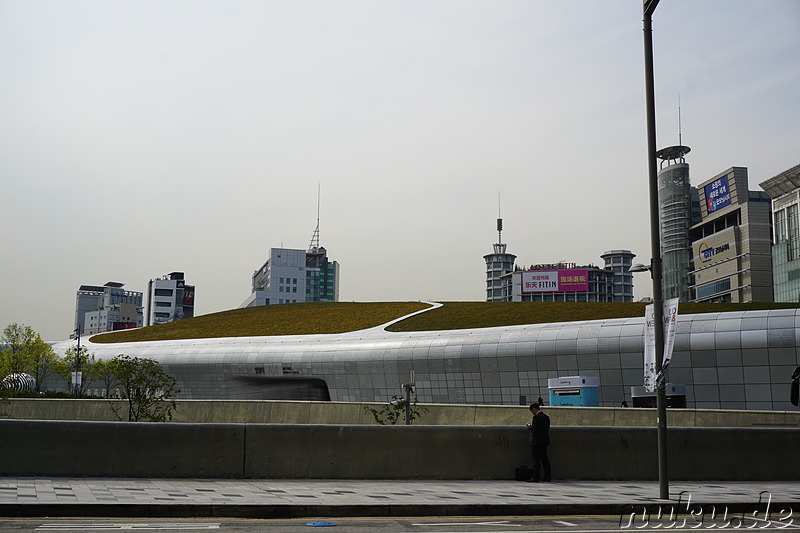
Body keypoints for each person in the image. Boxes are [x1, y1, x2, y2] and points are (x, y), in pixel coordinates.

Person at [525, 402, 551, 482]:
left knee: (536, 460)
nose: (532, 413)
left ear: (534, 409)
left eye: (532, 411)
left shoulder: (536, 418)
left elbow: (533, 429)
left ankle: (536, 477)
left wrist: (529, 425)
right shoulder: (546, 417)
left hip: (536, 442)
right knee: (545, 459)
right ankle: (547, 477)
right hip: (544, 441)